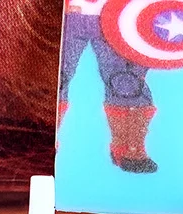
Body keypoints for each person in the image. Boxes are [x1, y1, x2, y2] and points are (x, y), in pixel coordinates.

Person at [58, 0, 158, 173]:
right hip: (67, 15)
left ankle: (130, 146)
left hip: (114, 14)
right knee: (59, 76)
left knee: (125, 81)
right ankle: (45, 137)